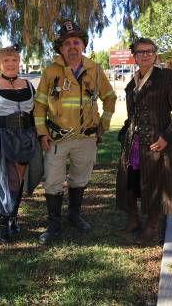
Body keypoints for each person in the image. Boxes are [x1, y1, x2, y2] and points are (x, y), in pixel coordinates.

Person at [34, 20, 116, 245]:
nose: (72, 46)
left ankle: (74, 214)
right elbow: (39, 104)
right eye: (67, 43)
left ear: (83, 45)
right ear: (60, 48)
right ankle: (53, 224)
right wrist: (42, 133)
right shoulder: (51, 71)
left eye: (76, 42)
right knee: (53, 181)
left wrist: (103, 126)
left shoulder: (95, 70)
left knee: (80, 178)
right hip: (57, 139)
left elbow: (109, 98)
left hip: (87, 138)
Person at [116, 37, 172, 245]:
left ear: (156, 54)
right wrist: (125, 132)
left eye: (149, 51)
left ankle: (152, 226)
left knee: (155, 184)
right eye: (140, 52)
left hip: (157, 142)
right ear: (134, 57)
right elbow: (133, 115)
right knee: (130, 182)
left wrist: (167, 137)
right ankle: (133, 220)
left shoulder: (168, 76)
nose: (145, 55)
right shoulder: (132, 83)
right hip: (133, 143)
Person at [0, 46, 37, 243]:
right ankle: (3, 221)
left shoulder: (28, 84)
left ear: (19, 62)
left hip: (25, 138)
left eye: (14, 60)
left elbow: (36, 114)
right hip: (1, 139)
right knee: (7, 181)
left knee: (18, 181)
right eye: (6, 61)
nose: (11, 65)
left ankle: (13, 217)